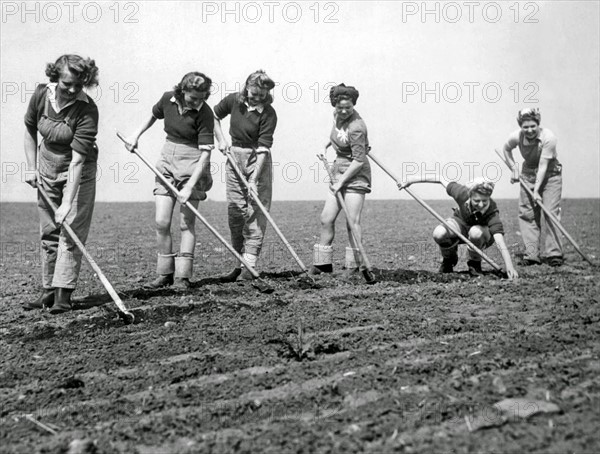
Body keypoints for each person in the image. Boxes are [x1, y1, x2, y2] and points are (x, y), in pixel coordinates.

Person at [23, 54, 100, 314]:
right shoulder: (41, 95)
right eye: (67, 83)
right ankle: (47, 291)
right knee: (48, 231)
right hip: (46, 165)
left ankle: (63, 294)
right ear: (55, 77)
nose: (73, 89)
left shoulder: (87, 109)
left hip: (78, 170)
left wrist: (67, 202)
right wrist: (32, 168)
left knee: (71, 231)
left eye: (79, 84)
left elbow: (78, 161)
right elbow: (30, 129)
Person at [125, 72, 214, 289]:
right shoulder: (167, 99)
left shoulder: (205, 113)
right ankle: (165, 273)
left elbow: (205, 155)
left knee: (186, 223)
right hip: (167, 159)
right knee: (162, 222)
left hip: (193, 164)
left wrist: (190, 187)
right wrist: (135, 135)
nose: (198, 102)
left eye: (202, 97)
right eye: (194, 98)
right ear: (182, 91)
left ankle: (183, 276)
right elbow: (153, 116)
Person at [213, 70, 278, 282]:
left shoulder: (269, 114)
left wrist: (253, 179)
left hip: (256, 159)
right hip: (234, 157)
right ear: (247, 87)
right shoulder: (234, 100)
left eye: (262, 95)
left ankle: (249, 266)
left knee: (255, 210)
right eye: (254, 93)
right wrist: (221, 140)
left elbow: (263, 148)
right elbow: (213, 115)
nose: (257, 98)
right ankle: (238, 264)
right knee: (236, 212)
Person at [400, 176, 519, 280]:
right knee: (439, 233)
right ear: (470, 195)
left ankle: (474, 264)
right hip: (461, 224)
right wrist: (410, 180)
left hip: (482, 233)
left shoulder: (492, 211)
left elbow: (499, 241)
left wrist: (509, 266)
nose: (481, 205)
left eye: (485, 201)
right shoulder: (462, 193)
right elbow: (440, 177)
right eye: (477, 201)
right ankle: (449, 260)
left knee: (475, 232)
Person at [311, 84, 372, 274]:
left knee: (351, 222)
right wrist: (325, 146)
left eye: (349, 107)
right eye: (340, 107)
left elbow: (359, 160)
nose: (344, 111)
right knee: (326, 218)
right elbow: (337, 135)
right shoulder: (337, 116)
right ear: (334, 106)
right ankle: (322, 265)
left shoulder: (357, 127)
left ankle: (353, 267)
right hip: (338, 169)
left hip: (355, 175)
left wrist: (342, 182)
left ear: (354, 104)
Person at [502, 108, 563, 267]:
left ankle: (554, 254)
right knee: (527, 215)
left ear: (538, 124)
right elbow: (506, 149)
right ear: (520, 126)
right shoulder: (516, 136)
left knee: (550, 213)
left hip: (550, 175)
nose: (529, 130)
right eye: (525, 127)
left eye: (532, 126)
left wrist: (536, 191)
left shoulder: (548, 137)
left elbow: (543, 166)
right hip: (528, 174)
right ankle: (532, 255)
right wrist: (514, 169)